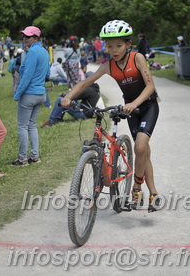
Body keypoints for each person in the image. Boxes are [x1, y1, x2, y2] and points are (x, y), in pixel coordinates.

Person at [61, 20, 161, 213]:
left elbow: (150, 86)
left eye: (119, 45)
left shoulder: (137, 58)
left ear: (128, 45)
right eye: (109, 46)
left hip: (147, 105)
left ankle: (137, 188)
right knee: (143, 151)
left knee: (140, 146)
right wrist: (68, 96)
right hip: (129, 109)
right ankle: (154, 194)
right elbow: (85, 83)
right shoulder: (108, 66)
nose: (114, 50)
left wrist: (134, 104)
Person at [11, 26, 50, 166]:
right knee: (32, 125)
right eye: (24, 36)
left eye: (28, 36)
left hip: (29, 94)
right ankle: (35, 156)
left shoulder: (32, 52)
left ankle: (22, 159)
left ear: (36, 37)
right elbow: (47, 74)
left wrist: (18, 94)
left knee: (23, 126)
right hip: (41, 94)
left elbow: (26, 76)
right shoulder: (45, 52)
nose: (24, 39)